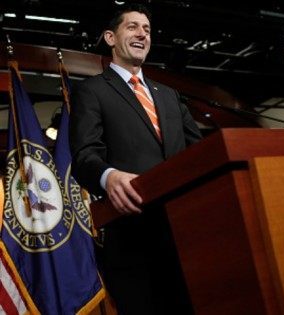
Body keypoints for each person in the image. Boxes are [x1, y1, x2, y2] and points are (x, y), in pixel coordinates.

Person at [69, 3, 202, 314]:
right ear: (110, 38)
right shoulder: (92, 91)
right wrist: (109, 175)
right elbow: (84, 155)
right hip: (133, 238)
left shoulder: (169, 95)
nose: (143, 34)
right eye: (133, 27)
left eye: (147, 30)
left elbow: (200, 153)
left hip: (186, 233)